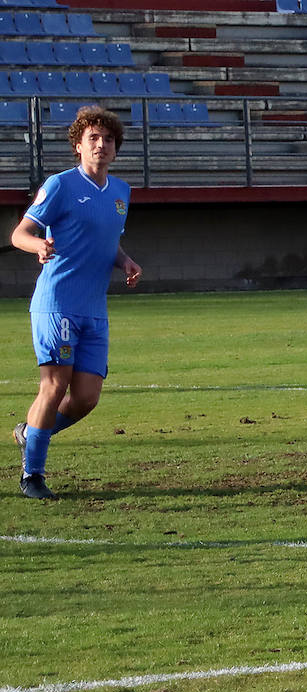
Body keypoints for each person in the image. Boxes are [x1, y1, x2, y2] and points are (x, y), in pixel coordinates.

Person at [10, 105, 142, 500]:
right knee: (54, 386)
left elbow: (107, 240)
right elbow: (21, 232)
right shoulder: (60, 185)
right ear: (78, 147)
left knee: (86, 398)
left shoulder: (121, 192)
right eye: (93, 139)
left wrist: (125, 260)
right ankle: (32, 475)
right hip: (57, 304)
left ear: (116, 149)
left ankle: (31, 431)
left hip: (94, 309)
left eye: (108, 140)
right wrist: (39, 245)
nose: (101, 145)